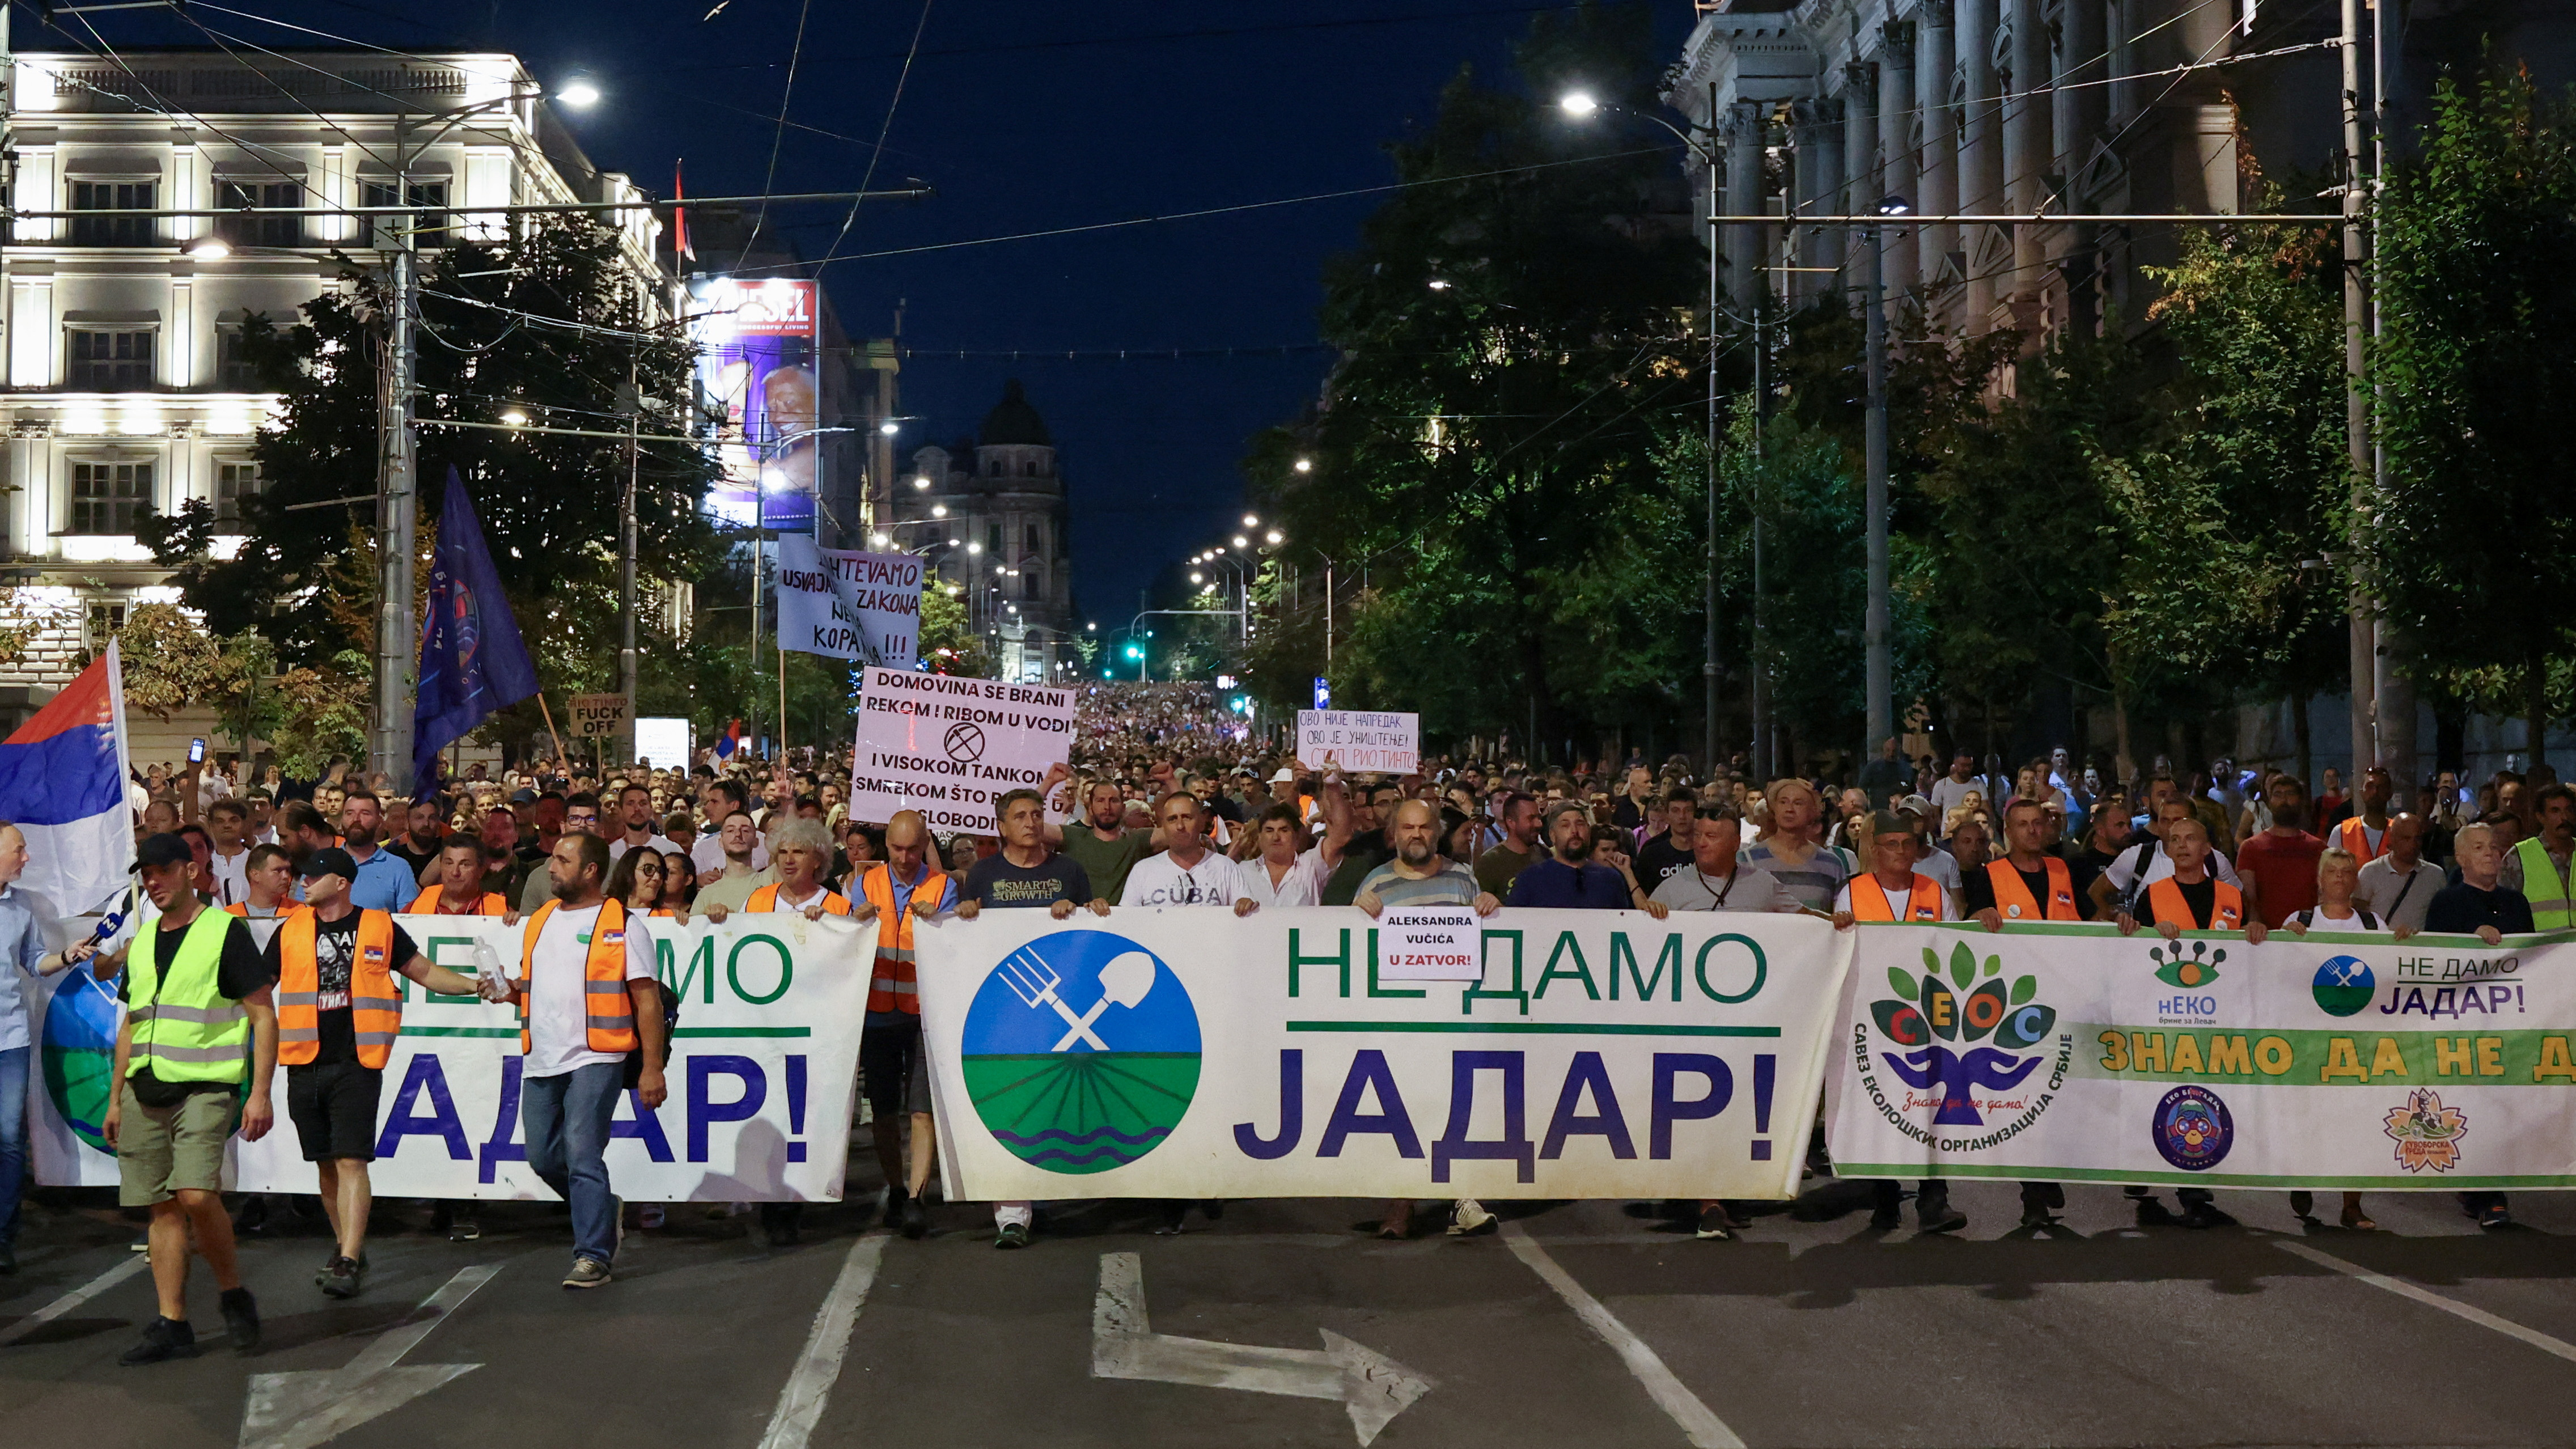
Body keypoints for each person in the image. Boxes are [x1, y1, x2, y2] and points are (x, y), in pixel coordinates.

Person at [268, 848, 484, 1299]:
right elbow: (257, 986)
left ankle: (347, 1258)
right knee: (326, 1165)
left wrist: (473, 986)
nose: (303, 882)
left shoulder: (379, 926)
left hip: (357, 1060)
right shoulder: (291, 930)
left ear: (341, 883)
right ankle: (349, 1244)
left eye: (313, 876)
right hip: (304, 1060)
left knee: (351, 1159)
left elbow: (423, 971)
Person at [107, 833, 277, 1363]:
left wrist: (262, 1093)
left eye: (162, 871)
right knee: (161, 1208)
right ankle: (172, 1322)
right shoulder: (144, 939)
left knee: (197, 1195)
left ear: (190, 871)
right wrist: (115, 1098)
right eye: (146, 874)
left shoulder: (224, 931)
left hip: (207, 1086)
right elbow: (131, 1027)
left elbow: (263, 1014)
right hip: (145, 1088)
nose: (153, 882)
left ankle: (231, 1291)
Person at [494, 832, 664, 1287]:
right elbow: (535, 989)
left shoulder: (624, 924)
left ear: (591, 870)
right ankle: (604, 1210)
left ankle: (593, 1255)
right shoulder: (541, 920)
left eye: (563, 860)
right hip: (542, 1057)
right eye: (553, 858)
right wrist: (509, 992)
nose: (551, 867)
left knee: (583, 1153)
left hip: (599, 1054)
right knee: (543, 1157)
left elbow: (647, 1001)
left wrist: (653, 1067)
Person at [951, 787, 1108, 1249]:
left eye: (1037, 814)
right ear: (1001, 826)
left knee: (1066, 1103)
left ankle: (1068, 1187)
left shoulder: (1069, 871)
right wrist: (964, 914)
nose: (1031, 822)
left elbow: (1091, 931)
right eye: (1020, 815)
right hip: (1006, 1014)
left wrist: (1081, 909)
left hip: (1066, 1012)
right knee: (1012, 1105)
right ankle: (1011, 1214)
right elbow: (971, 933)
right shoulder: (982, 875)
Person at [1346, 797, 1502, 1240]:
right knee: (1406, 1109)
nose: (1416, 835)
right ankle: (1402, 1201)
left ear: (1437, 832)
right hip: (1400, 1020)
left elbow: (1486, 940)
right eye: (1407, 828)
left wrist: (1490, 904)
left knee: (1458, 1106)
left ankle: (1463, 1200)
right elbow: (1352, 948)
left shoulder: (1463, 878)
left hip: (1455, 1017)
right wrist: (1358, 914)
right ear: (1393, 835)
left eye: (1424, 828)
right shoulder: (1375, 883)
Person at [1832, 814, 1964, 1234]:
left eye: (1908, 843)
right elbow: (1838, 953)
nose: (1901, 852)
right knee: (1879, 1106)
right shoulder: (1853, 892)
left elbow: (1957, 945)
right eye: (1891, 844)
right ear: (1874, 848)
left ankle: (1934, 1199)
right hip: (1873, 1017)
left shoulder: (1934, 891)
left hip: (1928, 1017)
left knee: (1930, 1107)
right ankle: (1885, 1199)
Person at [2425, 821, 2532, 1230]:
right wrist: (2471, 939)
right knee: (2473, 1105)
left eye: (2494, 847)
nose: (2491, 853)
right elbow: (2435, 959)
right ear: (2463, 858)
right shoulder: (2446, 902)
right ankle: (2487, 1195)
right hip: (2464, 1024)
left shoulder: (2517, 903)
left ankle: (2481, 1187)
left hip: (2509, 1021)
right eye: (2480, 847)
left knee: (2502, 1107)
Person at [850, 812, 953, 1238]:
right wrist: (852, 918)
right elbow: (849, 928)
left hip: (923, 1011)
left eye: (914, 849)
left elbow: (953, 943)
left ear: (926, 843)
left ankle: (916, 1196)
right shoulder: (867, 882)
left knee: (922, 1107)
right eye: (897, 848)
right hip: (877, 1012)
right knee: (886, 1110)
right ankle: (896, 1187)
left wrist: (942, 919)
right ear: (885, 846)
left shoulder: (944, 886)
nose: (906, 858)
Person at [0, 821, 85, 1274]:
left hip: (9, 1038)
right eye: (19, 849)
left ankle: (4, 1235)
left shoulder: (21, 906)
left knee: (10, 1139)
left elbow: (35, 962)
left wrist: (66, 956)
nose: (26, 857)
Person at [1507, 801, 1669, 915]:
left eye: (1580, 824)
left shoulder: (1611, 879)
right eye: (1565, 825)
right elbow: (1510, 924)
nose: (1574, 831)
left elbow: (1626, 926)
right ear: (1552, 836)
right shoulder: (1531, 879)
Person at [1121, 793, 1259, 914]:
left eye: (1187, 817)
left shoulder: (1226, 868)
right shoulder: (1143, 870)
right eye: (1172, 819)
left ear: (1201, 823)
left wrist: (1245, 905)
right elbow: (1124, 922)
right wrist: (1101, 912)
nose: (1180, 826)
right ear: (1164, 827)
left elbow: (1246, 918)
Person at [1650, 814, 1803, 916]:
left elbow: (1809, 920)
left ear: (1735, 843)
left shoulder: (1763, 883)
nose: (1701, 843)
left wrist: (1827, 922)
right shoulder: (1670, 889)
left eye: (1711, 836)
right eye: (1697, 835)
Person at [1740, 779, 1852, 913]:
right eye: (1783, 802)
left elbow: (1842, 915)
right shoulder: (1745, 860)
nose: (1789, 809)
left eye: (1798, 803)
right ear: (1774, 809)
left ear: (1813, 812)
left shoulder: (1832, 865)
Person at [2231, 773, 2324, 929]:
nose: (2284, 800)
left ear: (2301, 800)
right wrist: (2257, 927)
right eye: (2278, 795)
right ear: (2269, 802)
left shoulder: (2318, 848)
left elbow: (2325, 895)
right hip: (2266, 938)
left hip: (2309, 935)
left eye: (2290, 794)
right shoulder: (2251, 848)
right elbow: (2249, 899)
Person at [1057, 778, 1161, 906]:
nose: (1107, 807)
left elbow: (1185, 830)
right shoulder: (1074, 836)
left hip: (1127, 922)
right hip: (1082, 922)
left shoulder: (1138, 839)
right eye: (1100, 800)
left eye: (1114, 800)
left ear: (1124, 808)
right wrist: (1049, 781)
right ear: (1090, 809)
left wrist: (1171, 781)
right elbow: (1032, 827)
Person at [2354, 813, 2442, 934]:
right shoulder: (2370, 872)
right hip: (2380, 948)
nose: (2413, 844)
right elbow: (2356, 916)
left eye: (2418, 838)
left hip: (2419, 949)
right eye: (2406, 838)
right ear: (2392, 839)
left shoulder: (2435, 875)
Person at [2502, 782, 2574, 929]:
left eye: (2569, 810)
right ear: (2541, 817)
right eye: (2555, 811)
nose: (2564, 817)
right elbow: (2504, 909)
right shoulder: (2519, 856)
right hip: (2539, 949)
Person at [333, 792, 419, 914]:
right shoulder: (322, 863)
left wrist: (385, 921)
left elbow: (410, 921)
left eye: (365, 813)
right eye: (349, 813)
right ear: (342, 819)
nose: (356, 819)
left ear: (379, 822)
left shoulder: (399, 868)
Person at [412, 836, 512, 917]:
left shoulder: (501, 910)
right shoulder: (417, 906)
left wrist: (518, 924)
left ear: (481, 870)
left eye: (465, 864)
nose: (455, 872)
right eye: (449, 863)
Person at [1472, 791, 1544, 898]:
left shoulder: (1545, 854)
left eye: (1539, 818)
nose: (1539, 824)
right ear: (1511, 822)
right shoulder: (1489, 863)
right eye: (1531, 818)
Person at [1631, 790, 1701, 893]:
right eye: (1675, 811)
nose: (1682, 816)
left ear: (1695, 814)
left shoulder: (1707, 851)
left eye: (1688, 810)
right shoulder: (1651, 853)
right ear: (1667, 816)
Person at [2329, 767, 2396, 867]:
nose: (2375, 792)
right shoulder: (2342, 832)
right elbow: (2328, 873)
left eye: (2381, 787)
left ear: (2390, 794)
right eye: (2370, 787)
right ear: (2361, 792)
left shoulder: (2400, 831)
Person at [606, 783, 680, 863]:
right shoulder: (610, 854)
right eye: (630, 804)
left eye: (643, 803)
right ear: (621, 810)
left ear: (651, 809)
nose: (637, 809)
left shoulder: (671, 850)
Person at [205, 799, 253, 908]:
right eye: (220, 821)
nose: (227, 825)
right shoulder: (204, 862)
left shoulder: (256, 860)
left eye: (234, 821)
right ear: (211, 826)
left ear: (244, 824)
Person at [385, 795, 447, 878]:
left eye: (432, 818)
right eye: (419, 818)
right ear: (407, 823)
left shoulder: (449, 852)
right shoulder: (392, 857)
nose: (426, 824)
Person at [603, 846, 668, 917]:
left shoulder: (670, 917)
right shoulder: (603, 912)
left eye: (660, 872)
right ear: (628, 871)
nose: (657, 877)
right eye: (649, 870)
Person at [1858, 736, 1909, 806]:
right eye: (1888, 750)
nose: (1891, 754)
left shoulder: (1905, 768)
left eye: (1894, 751)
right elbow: (1861, 788)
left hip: (1899, 809)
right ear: (1884, 750)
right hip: (1878, 808)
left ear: (1899, 750)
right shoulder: (1873, 767)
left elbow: (1908, 784)